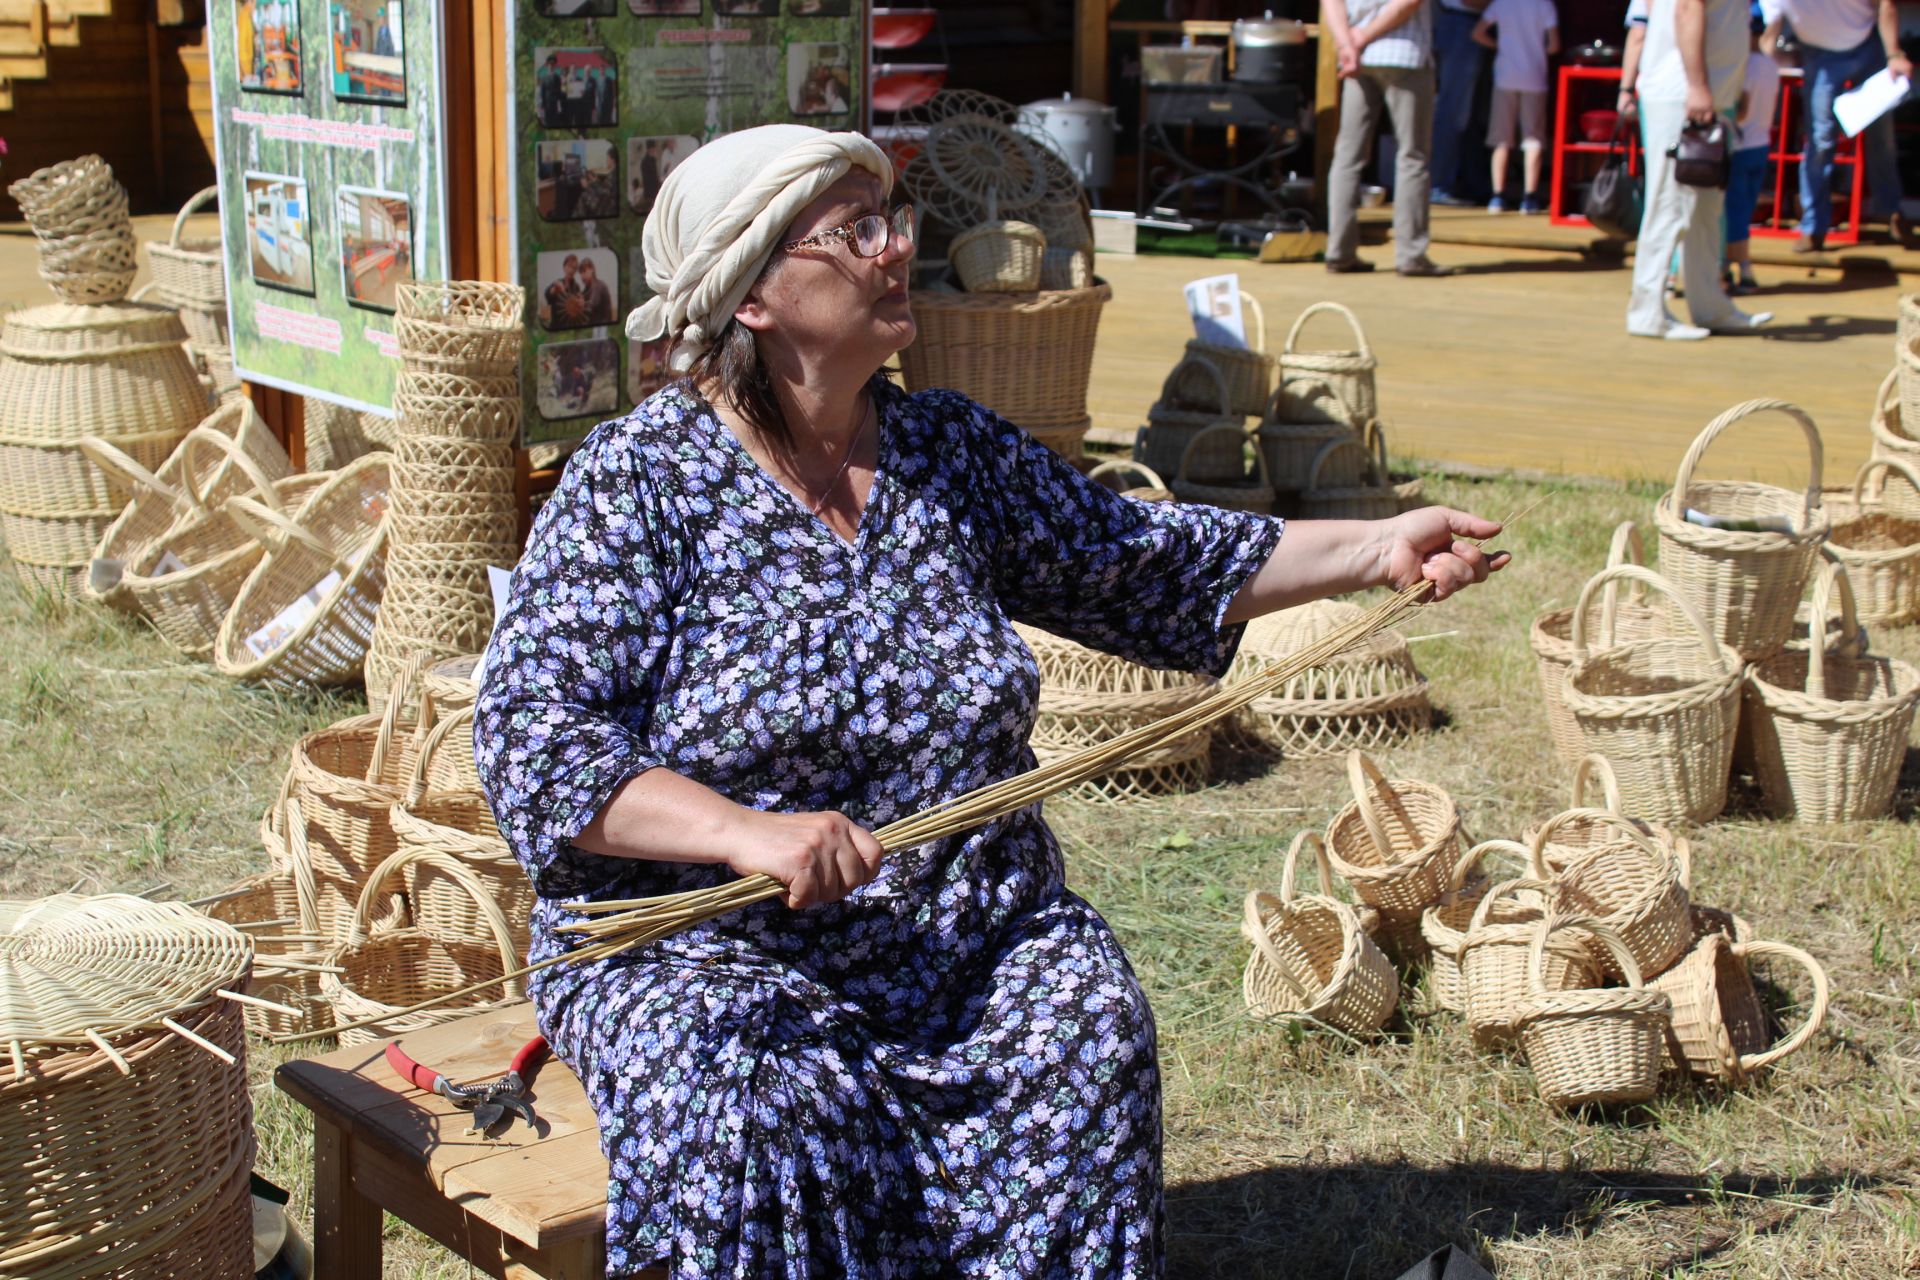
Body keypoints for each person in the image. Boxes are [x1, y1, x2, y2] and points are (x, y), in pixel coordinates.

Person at [474, 123, 1508, 1279]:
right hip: (707, 946)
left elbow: (1144, 556)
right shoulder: (636, 484)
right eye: (855, 229)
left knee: (1085, 1027)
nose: (894, 249)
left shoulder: (945, 453)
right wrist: (746, 835)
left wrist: (1377, 545)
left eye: (893, 220)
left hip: (962, 926)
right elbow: (535, 740)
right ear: (752, 292)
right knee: (760, 1104)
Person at [1627, 0, 1772, 339]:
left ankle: (1711, 308)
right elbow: (1687, 9)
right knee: (1668, 204)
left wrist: (1733, 89)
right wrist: (1697, 86)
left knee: (1706, 211)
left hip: (1713, 96)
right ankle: (1647, 312)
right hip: (1683, 93)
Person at [1760, 0, 1911, 250]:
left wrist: (1893, 53)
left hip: (1867, 45)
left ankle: (1890, 210)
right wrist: (1777, 58)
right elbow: (1770, 35)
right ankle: (1813, 226)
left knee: (1880, 138)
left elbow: (1885, 3)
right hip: (1818, 55)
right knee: (1819, 141)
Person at [1321, 0, 1455, 274]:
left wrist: (1347, 43)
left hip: (1356, 56)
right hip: (1403, 52)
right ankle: (1411, 255)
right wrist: (1362, 37)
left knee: (1348, 156)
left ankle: (1339, 251)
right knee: (1412, 156)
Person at [1474, 0, 1560, 212]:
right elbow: (1554, 45)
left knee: (1501, 138)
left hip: (1505, 76)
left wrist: (1499, 46)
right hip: (1534, 78)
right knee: (1533, 138)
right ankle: (1529, 197)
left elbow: (1477, 33)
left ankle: (1498, 195)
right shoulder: (1544, 5)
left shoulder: (1502, 3)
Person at [1725, 14, 1782, 291]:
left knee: (1733, 211)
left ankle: (1743, 269)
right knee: (1744, 209)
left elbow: (1743, 110)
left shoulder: (1745, 66)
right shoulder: (1771, 65)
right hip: (1761, 146)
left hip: (1741, 145)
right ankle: (1730, 267)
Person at [1431, 0, 1492, 206]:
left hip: (1472, 25)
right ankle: (1437, 185)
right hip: (1461, 25)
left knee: (1471, 113)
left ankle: (1472, 184)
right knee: (1453, 111)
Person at [544, 252, 581, 329]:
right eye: (569, 266)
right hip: (556, 325)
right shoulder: (557, 283)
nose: (571, 270)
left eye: (574, 268)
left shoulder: (577, 288)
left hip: (571, 326)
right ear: (564, 267)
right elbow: (548, 294)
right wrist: (555, 290)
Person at [576, 256, 614, 325]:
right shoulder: (586, 289)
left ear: (592, 270)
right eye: (581, 273)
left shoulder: (599, 286)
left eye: (584, 271)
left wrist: (583, 304)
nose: (582, 276)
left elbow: (594, 304)